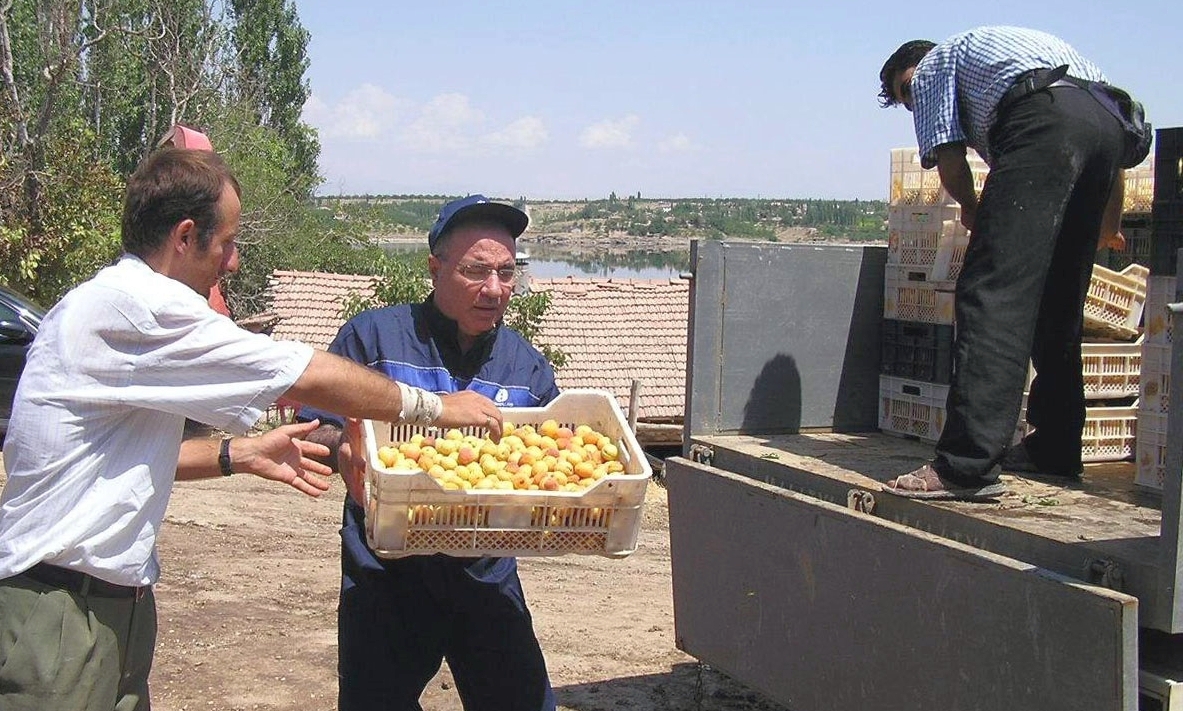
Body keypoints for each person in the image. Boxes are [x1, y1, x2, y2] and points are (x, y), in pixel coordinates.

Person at [0, 148, 503, 711]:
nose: (233, 262)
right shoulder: (139, 308)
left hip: (108, 605)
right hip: (62, 615)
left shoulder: (116, 307)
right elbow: (299, 371)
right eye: (228, 243)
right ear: (185, 237)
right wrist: (434, 407)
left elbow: (124, 460)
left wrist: (237, 454)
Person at [300, 195, 559, 711]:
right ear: (435, 268)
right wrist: (344, 448)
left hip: (485, 574)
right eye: (475, 270)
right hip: (385, 573)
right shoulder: (372, 339)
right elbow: (317, 429)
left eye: (507, 273)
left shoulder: (527, 369)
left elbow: (548, 464)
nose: (494, 289)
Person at [877, 26, 1132, 500]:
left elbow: (952, 162)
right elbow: (1112, 141)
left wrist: (975, 211)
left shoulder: (934, 67)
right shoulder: (1016, 53)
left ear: (913, 72)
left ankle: (965, 466)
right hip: (1104, 122)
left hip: (1041, 123)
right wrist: (1108, 223)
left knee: (991, 295)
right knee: (1058, 305)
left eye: (907, 94)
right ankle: (1055, 449)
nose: (914, 104)